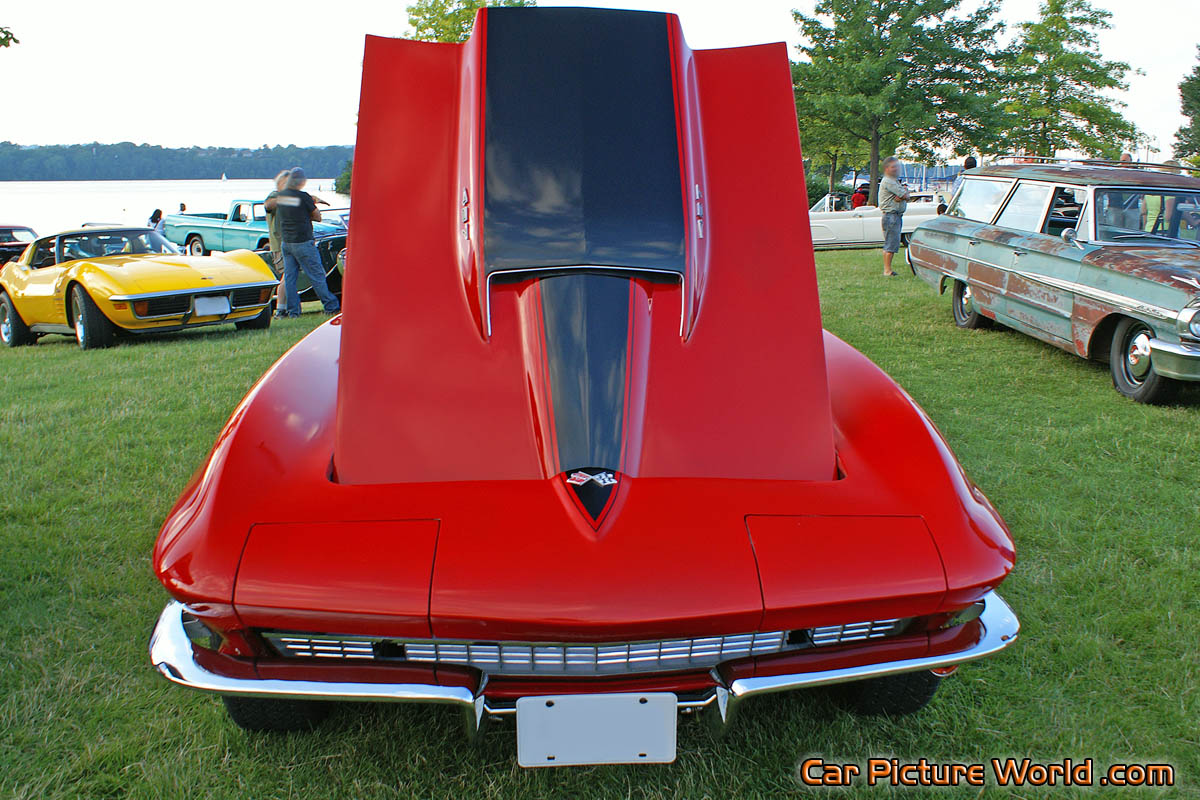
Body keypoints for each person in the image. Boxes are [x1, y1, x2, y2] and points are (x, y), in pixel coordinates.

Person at [265, 167, 340, 317]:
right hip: (303, 241)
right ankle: (331, 306)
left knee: (290, 278)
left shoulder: (283, 198)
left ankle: (293, 311)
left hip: (286, 243)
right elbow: (317, 217)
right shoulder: (302, 197)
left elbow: (270, 206)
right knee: (316, 275)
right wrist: (311, 206)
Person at [878, 156, 911, 277]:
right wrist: (903, 195)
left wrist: (903, 195)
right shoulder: (888, 181)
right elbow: (904, 194)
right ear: (887, 168)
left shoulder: (894, 181)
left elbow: (906, 195)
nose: (896, 169)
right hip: (891, 216)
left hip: (895, 216)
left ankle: (888, 269)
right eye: (893, 167)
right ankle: (887, 270)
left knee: (893, 242)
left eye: (897, 166)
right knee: (891, 243)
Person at [264, 170, 290, 313]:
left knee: (290, 276)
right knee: (287, 276)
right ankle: (280, 308)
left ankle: (288, 307)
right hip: (279, 245)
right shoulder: (275, 196)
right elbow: (268, 205)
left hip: (291, 243)